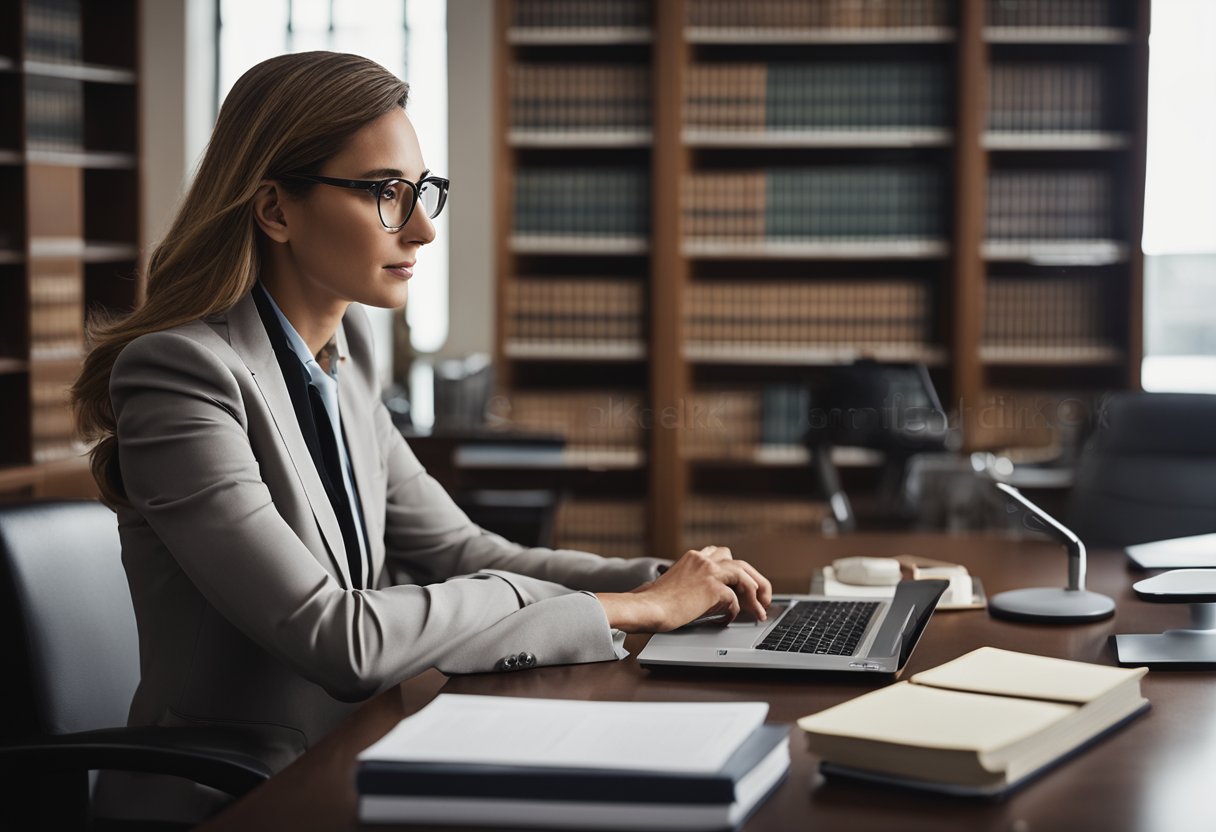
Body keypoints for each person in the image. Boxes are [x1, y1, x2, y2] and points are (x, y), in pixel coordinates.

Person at [70, 51, 773, 821]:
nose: (424, 228)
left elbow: (466, 552)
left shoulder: (352, 351)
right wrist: (627, 609)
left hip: (365, 755)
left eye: (423, 191)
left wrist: (664, 581)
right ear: (274, 210)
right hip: (239, 797)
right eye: (385, 193)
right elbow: (338, 638)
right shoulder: (180, 375)